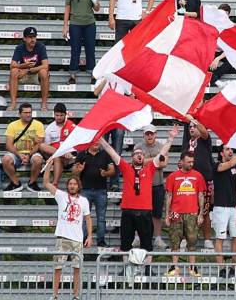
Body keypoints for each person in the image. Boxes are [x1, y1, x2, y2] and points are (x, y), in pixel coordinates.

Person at [101, 126, 175, 259]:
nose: (140, 155)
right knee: (125, 244)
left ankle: (147, 272)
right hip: (128, 212)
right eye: (136, 153)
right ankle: (126, 270)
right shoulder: (126, 168)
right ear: (132, 157)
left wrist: (171, 138)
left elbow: (162, 153)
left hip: (145, 212)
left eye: (141, 154)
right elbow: (111, 151)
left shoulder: (150, 169)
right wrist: (100, 139)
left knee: (147, 245)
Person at [42, 162, 91, 300]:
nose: (72, 186)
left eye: (75, 184)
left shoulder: (84, 201)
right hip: (62, 237)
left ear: (78, 186)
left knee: (77, 269)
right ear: (67, 186)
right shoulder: (61, 196)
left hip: (77, 239)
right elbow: (46, 183)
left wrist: (90, 236)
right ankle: (55, 295)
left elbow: (88, 219)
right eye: (70, 184)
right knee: (58, 268)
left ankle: (76, 296)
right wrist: (48, 166)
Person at [164, 151, 206, 277]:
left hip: (192, 213)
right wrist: (167, 214)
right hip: (176, 213)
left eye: (192, 162)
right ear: (181, 161)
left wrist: (201, 214)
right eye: (188, 162)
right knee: (175, 241)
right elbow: (169, 196)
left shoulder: (198, 176)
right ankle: (174, 267)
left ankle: (192, 268)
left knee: (192, 241)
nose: (191, 164)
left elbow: (201, 195)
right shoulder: (173, 176)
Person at [212, 146, 236, 277]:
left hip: (233, 207)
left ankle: (234, 267)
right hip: (220, 207)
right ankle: (221, 268)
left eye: (231, 150)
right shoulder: (217, 164)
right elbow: (229, 164)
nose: (230, 152)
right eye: (227, 149)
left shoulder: (235, 166)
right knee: (220, 237)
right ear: (221, 153)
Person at [181, 116, 215, 249]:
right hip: (188, 181)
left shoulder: (205, 140)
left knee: (205, 211)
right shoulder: (186, 142)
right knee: (186, 210)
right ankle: (185, 238)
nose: (192, 129)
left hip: (204, 181)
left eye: (194, 127)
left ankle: (207, 239)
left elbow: (205, 132)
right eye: (190, 127)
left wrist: (195, 120)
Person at [73, 141, 114, 247]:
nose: (96, 143)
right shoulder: (81, 154)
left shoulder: (105, 154)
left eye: (97, 141)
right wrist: (79, 170)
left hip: (101, 190)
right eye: (94, 141)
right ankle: (84, 239)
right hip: (85, 190)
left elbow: (112, 170)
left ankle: (101, 241)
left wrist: (106, 173)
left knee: (101, 218)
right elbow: (74, 172)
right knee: (84, 217)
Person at [133, 125, 168, 249]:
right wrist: (156, 160)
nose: (149, 136)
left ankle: (158, 237)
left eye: (151, 133)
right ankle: (137, 237)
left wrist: (146, 161)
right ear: (144, 135)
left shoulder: (160, 146)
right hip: (142, 184)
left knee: (157, 213)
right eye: (147, 134)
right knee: (139, 212)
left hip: (157, 184)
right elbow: (136, 162)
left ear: (155, 134)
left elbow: (164, 163)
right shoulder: (138, 147)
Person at [64, 0, 99, 85]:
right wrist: (65, 26)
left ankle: (92, 73)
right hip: (75, 23)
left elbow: (97, 8)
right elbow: (67, 9)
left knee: (90, 49)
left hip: (89, 23)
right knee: (75, 49)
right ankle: (73, 74)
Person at [2, 103, 45, 192]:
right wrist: (19, 154)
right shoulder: (12, 125)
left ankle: (32, 183)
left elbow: (39, 144)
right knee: (5, 159)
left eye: (30, 112)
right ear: (19, 114)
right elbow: (8, 145)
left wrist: (29, 154)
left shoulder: (38, 124)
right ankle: (16, 183)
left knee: (38, 160)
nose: (28, 114)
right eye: (25, 113)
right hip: (17, 153)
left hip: (32, 153)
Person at [9, 27, 49, 111]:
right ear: (24, 38)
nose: (33, 39)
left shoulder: (40, 46)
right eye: (30, 37)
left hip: (36, 75)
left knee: (44, 72)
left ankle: (44, 103)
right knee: (13, 71)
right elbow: (12, 65)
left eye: (34, 37)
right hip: (24, 75)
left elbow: (46, 65)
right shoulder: (20, 47)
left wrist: (28, 70)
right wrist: (24, 65)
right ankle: (13, 103)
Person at [40, 103, 77, 186]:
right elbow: (47, 146)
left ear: (65, 114)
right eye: (57, 115)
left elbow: (77, 144)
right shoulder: (50, 127)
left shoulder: (72, 126)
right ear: (54, 114)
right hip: (55, 156)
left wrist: (70, 153)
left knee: (57, 156)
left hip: (69, 157)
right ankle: (55, 183)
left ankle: (55, 182)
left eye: (61, 115)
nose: (59, 117)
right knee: (42, 146)